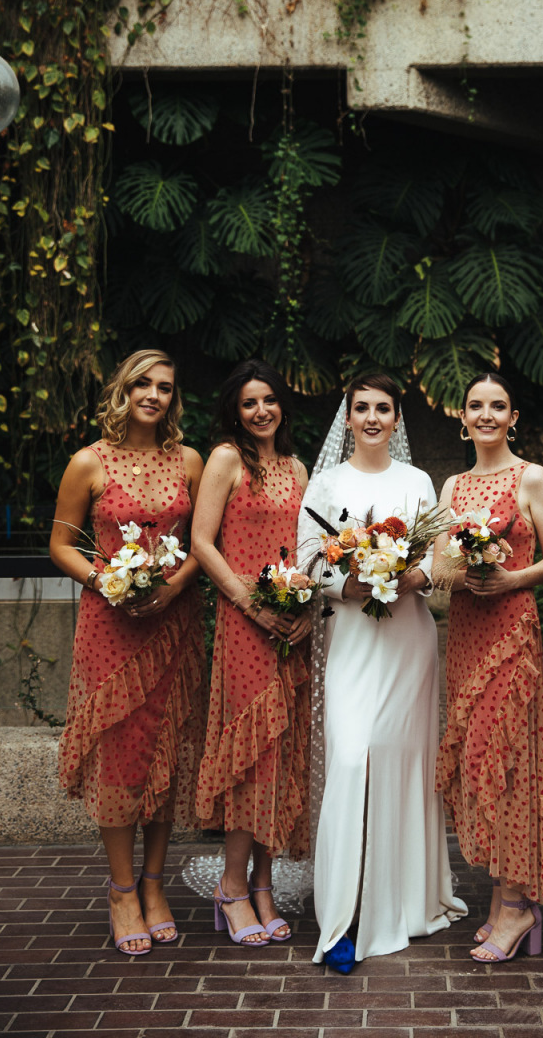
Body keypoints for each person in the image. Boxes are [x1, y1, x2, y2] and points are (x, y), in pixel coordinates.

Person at [297, 373, 466, 970]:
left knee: (397, 762)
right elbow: (307, 564)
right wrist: (350, 581)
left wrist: (407, 577)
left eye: (382, 408)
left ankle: (399, 899)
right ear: (347, 416)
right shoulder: (326, 482)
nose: (371, 417)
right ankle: (340, 918)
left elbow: (443, 557)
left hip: (406, 641)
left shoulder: (416, 481)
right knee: (350, 758)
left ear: (397, 419)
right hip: (351, 640)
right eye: (361, 407)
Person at [51, 350, 207, 955]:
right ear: (122, 390)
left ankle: (154, 884)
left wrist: (170, 587)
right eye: (142, 383)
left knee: (165, 750)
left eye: (165, 387)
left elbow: (202, 543)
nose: (154, 395)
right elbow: (62, 545)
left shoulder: (188, 460)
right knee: (120, 754)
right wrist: (106, 582)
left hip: (173, 622)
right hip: (110, 627)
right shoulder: (88, 462)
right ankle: (121, 891)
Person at [433, 372, 543, 964]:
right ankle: (500, 897)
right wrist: (464, 564)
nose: (487, 415)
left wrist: (511, 575)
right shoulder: (454, 483)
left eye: (499, 406)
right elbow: (438, 568)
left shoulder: (531, 476)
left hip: (511, 632)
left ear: (513, 418)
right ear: (463, 417)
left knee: (509, 759)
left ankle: (516, 903)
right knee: (478, 762)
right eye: (476, 406)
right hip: (464, 633)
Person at [192, 360, 310, 947]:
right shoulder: (225, 459)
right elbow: (201, 542)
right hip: (245, 626)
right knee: (249, 757)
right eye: (248, 403)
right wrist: (250, 602)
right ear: (234, 412)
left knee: (282, 755)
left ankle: (265, 885)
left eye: (268, 400)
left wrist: (305, 609)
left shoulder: (295, 466)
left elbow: (309, 547)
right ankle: (232, 887)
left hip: (292, 627)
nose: (261, 411)